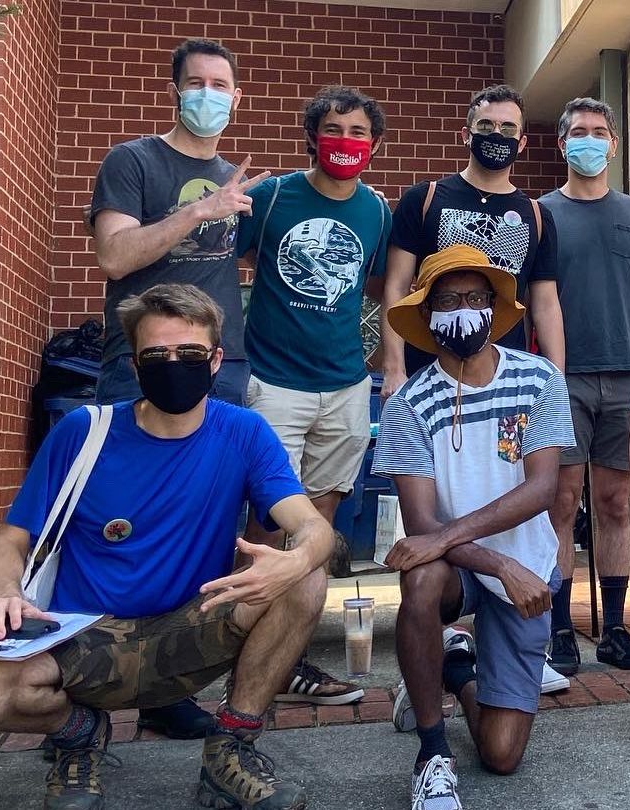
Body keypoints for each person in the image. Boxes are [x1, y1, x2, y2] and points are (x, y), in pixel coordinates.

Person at [0, 283, 332, 810]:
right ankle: (78, 734)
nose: (174, 366)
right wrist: (5, 595)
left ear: (216, 360)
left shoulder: (244, 432)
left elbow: (313, 526)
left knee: (306, 578)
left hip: (189, 626)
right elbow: (9, 538)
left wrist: (294, 560)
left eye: (191, 354)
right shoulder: (85, 432)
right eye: (157, 355)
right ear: (134, 365)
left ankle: (230, 753)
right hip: (85, 637)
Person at [86, 39, 269, 735]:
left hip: (219, 367)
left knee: (204, 522)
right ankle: (84, 679)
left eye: (221, 84)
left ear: (238, 97)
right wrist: (199, 210)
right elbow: (114, 255)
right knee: (117, 516)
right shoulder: (133, 161)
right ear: (174, 91)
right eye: (196, 82)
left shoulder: (236, 179)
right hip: (138, 366)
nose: (208, 94)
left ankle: (166, 687)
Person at [371, 245, 575, 809]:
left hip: (526, 565)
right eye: (447, 301)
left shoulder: (538, 378)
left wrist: (470, 548)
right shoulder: (408, 404)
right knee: (421, 578)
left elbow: (543, 488)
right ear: (426, 314)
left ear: (493, 306)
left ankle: (456, 667)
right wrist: (495, 562)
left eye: (474, 298)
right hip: (465, 570)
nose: (463, 311)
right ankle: (432, 752)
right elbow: (421, 524)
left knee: (501, 754)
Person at [234, 84, 394, 706]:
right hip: (274, 384)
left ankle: (289, 659)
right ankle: (241, 656)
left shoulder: (376, 211)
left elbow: (379, 283)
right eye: (333, 129)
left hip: (346, 388)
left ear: (374, 145)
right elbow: (222, 261)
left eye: (358, 133)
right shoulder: (273, 197)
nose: (345, 142)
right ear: (311, 136)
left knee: (318, 531)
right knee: (266, 526)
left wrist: (383, 355)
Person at [540, 98, 630, 676]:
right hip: (563, 379)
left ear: (613, 144)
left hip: (629, 377)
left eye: (598, 131)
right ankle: (559, 628)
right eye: (577, 132)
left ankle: (614, 628)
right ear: (561, 143)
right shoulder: (541, 214)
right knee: (561, 501)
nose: (588, 140)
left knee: (616, 502)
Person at [382, 84, 565, 397]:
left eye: (508, 128)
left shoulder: (536, 215)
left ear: (522, 143)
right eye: (486, 125)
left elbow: (546, 305)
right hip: (428, 374)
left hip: (507, 382)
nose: (497, 134)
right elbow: (396, 287)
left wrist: (555, 380)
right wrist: (394, 368)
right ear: (466, 135)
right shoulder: (423, 199)